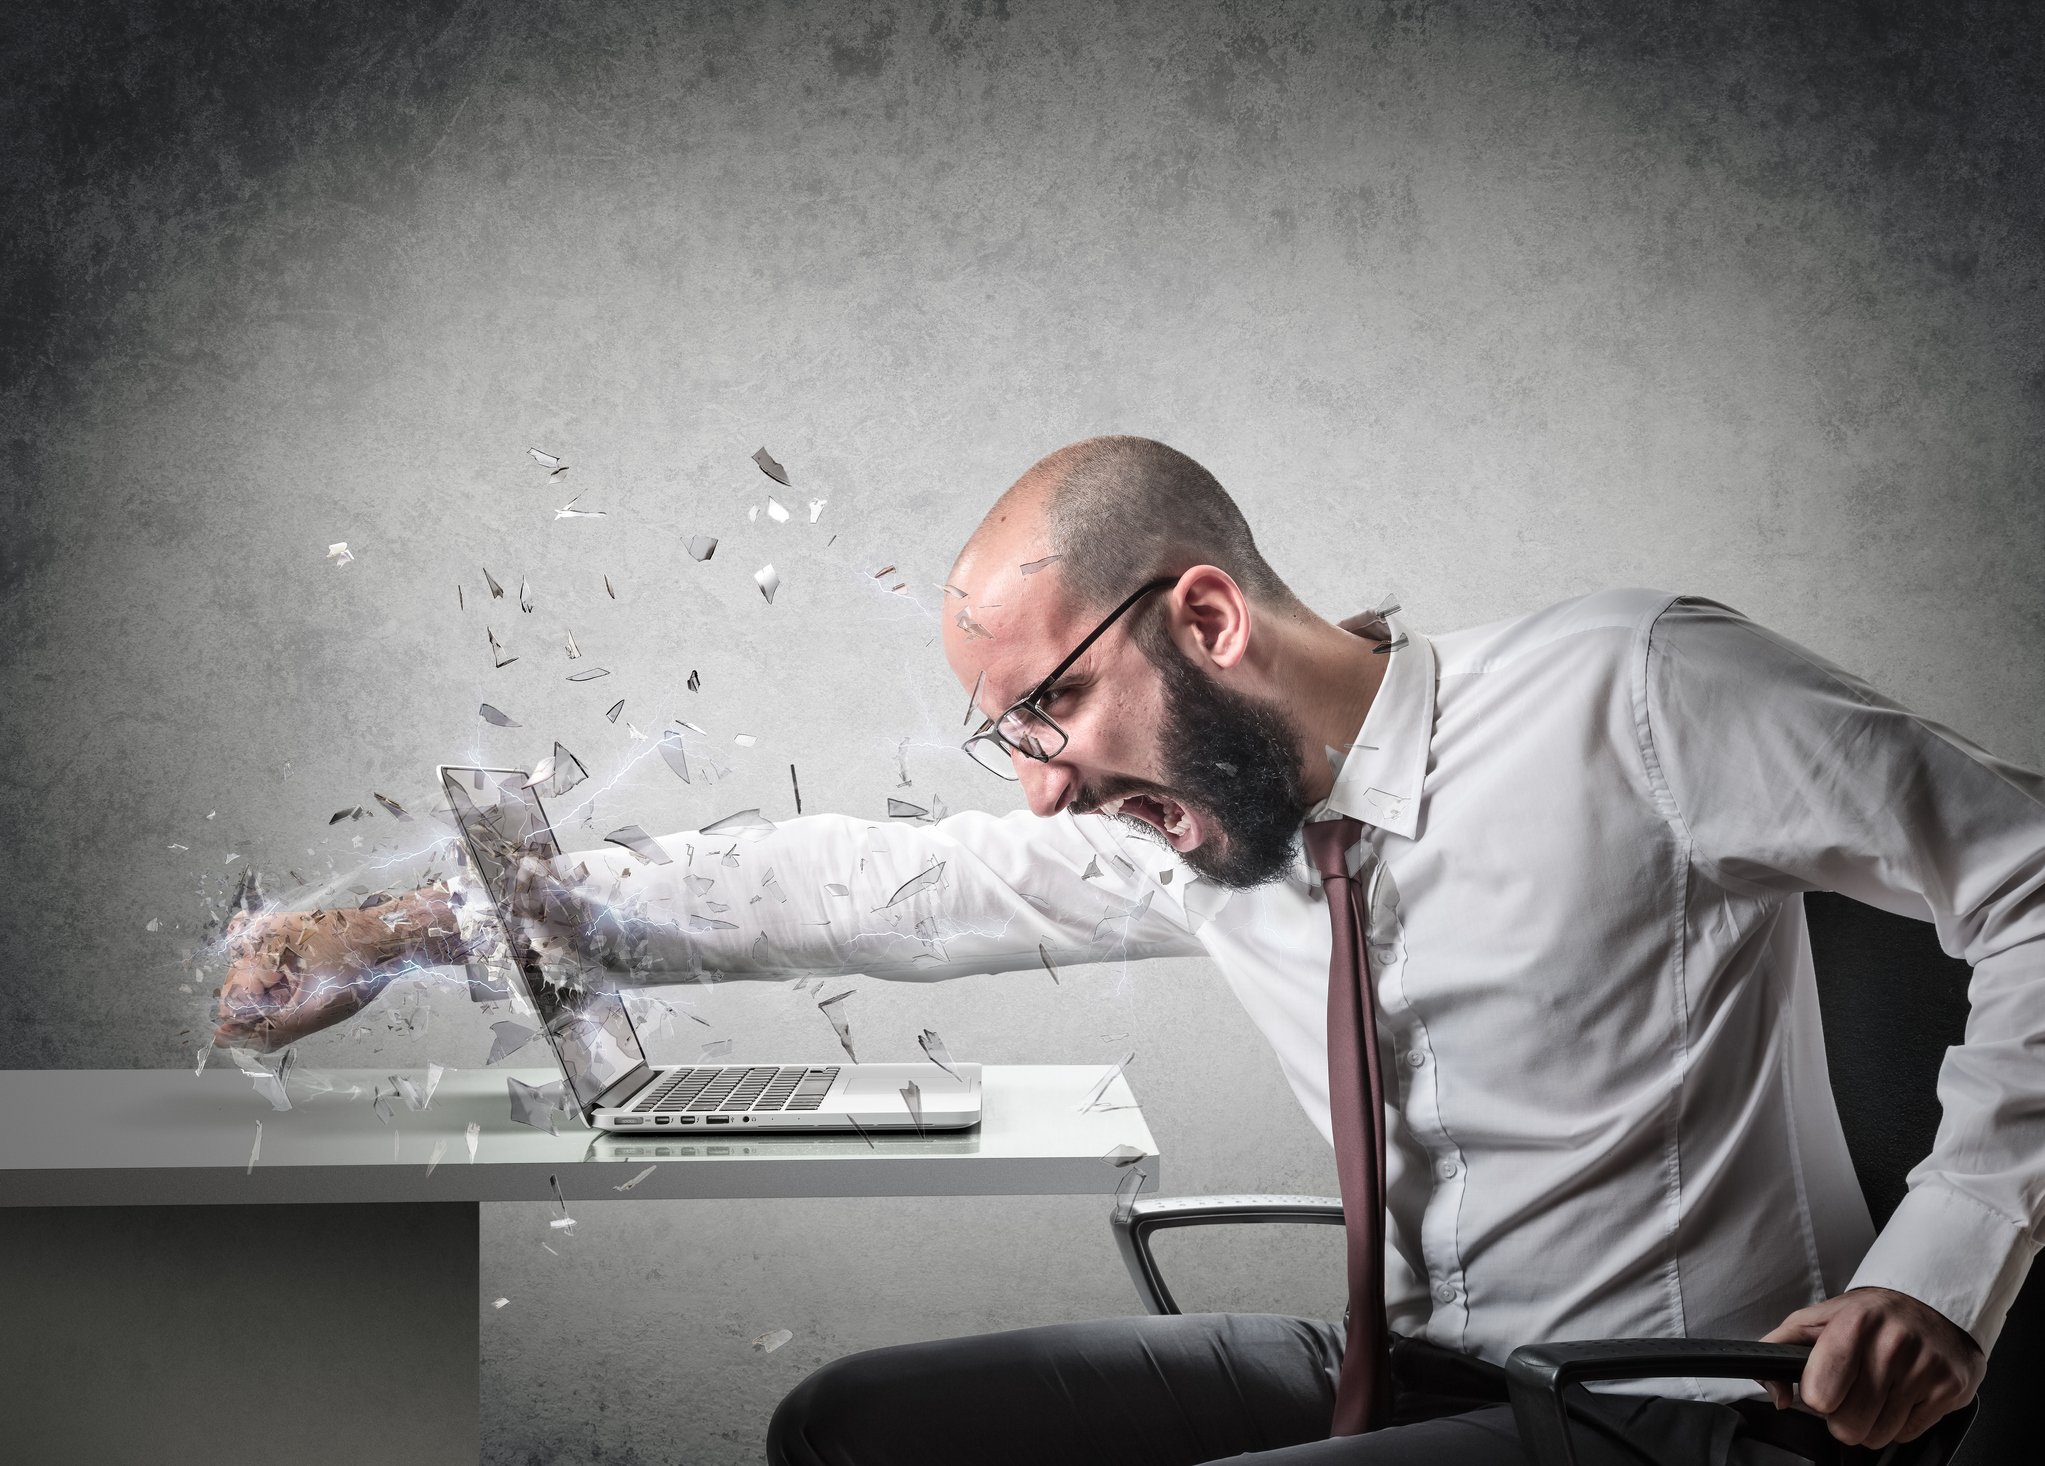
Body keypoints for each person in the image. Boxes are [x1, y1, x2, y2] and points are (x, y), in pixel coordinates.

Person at [215, 436, 2039, 1464]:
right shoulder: (1209, 829)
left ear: (1206, 617)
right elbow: (858, 885)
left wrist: (1944, 1266)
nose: (1040, 786)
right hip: (1408, 1367)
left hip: (1676, 1410)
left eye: (1050, 709)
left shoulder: (1630, 694)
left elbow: (2029, 872)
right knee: (856, 1429)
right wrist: (413, 930)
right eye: (1007, 738)